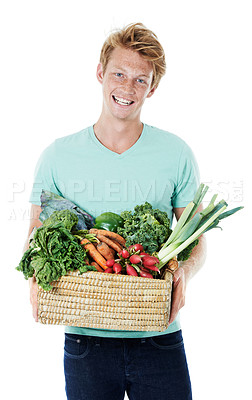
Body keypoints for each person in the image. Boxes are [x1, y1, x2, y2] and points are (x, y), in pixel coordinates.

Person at [27, 22, 207, 400]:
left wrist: (183, 273)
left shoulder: (176, 154)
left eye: (140, 80)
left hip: (158, 336)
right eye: (119, 74)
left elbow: (195, 237)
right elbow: (35, 235)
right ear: (100, 73)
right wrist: (35, 276)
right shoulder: (57, 156)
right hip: (85, 340)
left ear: (152, 87)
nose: (127, 88)